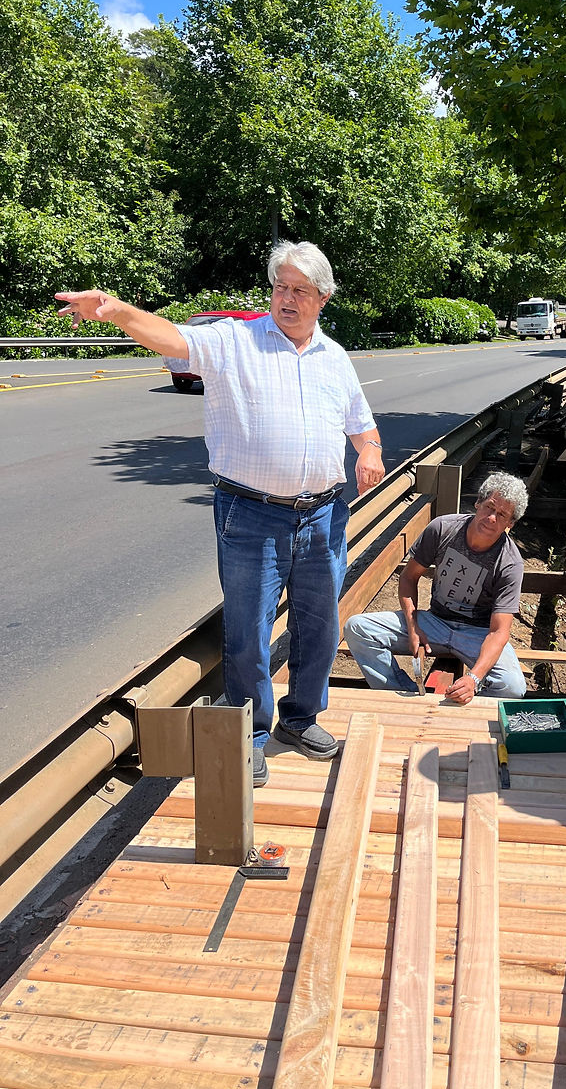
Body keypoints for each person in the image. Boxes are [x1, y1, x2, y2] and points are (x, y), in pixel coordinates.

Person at [56, 241, 385, 788]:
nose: (287, 298)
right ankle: (252, 733)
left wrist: (370, 451)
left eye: (300, 290)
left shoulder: (335, 358)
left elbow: (361, 423)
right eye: (280, 286)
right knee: (248, 628)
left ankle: (301, 719)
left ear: (323, 299)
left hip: (325, 515)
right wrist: (117, 312)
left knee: (321, 624)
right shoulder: (237, 341)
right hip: (251, 515)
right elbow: (175, 338)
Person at [344, 472, 528, 704]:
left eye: (502, 515)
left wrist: (473, 678)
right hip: (435, 623)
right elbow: (409, 578)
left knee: (513, 687)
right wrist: (413, 627)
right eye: (489, 507)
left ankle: (462, 699)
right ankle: (405, 697)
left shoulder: (510, 562)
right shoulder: (443, 529)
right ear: (478, 503)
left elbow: (499, 631)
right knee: (358, 628)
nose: (492, 518)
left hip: (478, 634)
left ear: (510, 524)